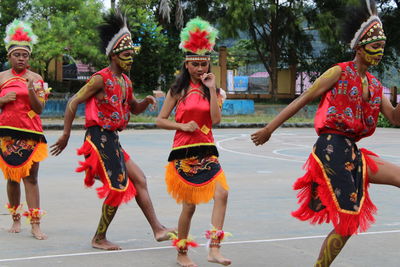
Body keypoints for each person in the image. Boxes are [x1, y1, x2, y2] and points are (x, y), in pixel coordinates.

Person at [251, 0, 400, 266]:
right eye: (375, 47)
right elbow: (303, 98)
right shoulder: (339, 72)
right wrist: (269, 128)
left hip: (352, 151)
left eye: (382, 48)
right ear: (359, 47)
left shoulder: (377, 85)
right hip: (332, 149)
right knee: (348, 223)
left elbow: (394, 118)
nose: (379, 53)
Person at [50, 10, 172, 250]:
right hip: (98, 139)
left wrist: (146, 102)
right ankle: (99, 238)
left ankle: (157, 229)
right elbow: (73, 102)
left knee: (139, 179)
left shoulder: (126, 81)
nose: (131, 59)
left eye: (132, 54)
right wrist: (65, 134)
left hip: (113, 140)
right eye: (127, 55)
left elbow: (133, 108)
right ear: (114, 56)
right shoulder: (100, 79)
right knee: (118, 186)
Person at [156, 18, 231, 267]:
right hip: (184, 152)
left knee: (222, 193)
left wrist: (211, 90)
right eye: (195, 64)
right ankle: (182, 252)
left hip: (207, 150)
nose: (200, 68)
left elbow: (216, 120)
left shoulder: (215, 91)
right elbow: (160, 120)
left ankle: (214, 249)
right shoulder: (178, 90)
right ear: (186, 65)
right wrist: (181, 125)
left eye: (204, 63)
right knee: (189, 206)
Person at [0, 20, 49, 240]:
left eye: (25, 55)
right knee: (12, 178)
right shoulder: (2, 78)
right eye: (17, 54)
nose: (21, 58)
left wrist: (31, 91)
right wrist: (2, 100)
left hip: (30, 133)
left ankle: (36, 223)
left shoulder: (36, 78)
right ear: (9, 56)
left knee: (31, 178)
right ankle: (15, 219)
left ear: (29, 57)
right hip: (7, 134)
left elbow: (39, 109)